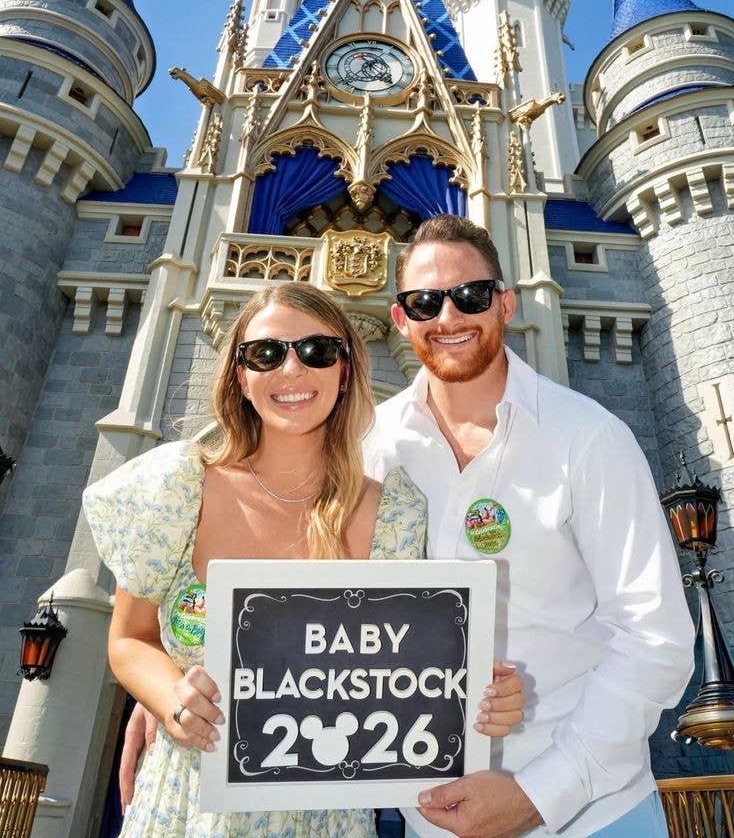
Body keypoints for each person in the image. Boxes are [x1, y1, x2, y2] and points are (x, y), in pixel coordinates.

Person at [84, 281, 523, 838]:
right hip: (186, 809)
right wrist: (171, 698)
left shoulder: (395, 513)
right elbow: (130, 639)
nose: (292, 369)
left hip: (329, 820)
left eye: (317, 351)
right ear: (240, 376)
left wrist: (477, 694)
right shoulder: (175, 488)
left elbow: (402, 669)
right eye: (267, 353)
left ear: (344, 370)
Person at [362, 215, 696, 838]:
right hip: (434, 819)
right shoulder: (369, 447)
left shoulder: (589, 438)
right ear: (401, 317)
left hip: (594, 817)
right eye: (425, 301)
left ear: (505, 304)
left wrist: (539, 794)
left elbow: (657, 638)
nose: (449, 317)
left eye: (471, 295)